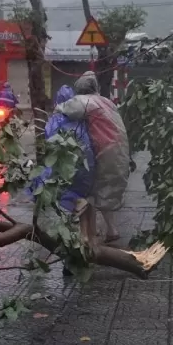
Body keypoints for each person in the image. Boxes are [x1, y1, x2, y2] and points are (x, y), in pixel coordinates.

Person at [54, 71, 130, 244]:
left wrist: (56, 108)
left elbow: (64, 108)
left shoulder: (84, 101)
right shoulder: (106, 101)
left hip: (104, 150)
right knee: (101, 191)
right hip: (119, 149)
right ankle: (112, 230)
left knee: (90, 191)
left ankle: (89, 237)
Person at [27, 86, 97, 250]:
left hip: (68, 167)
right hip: (88, 168)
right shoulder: (82, 119)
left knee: (44, 183)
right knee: (83, 196)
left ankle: (77, 228)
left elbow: (48, 141)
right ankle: (85, 236)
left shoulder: (57, 120)